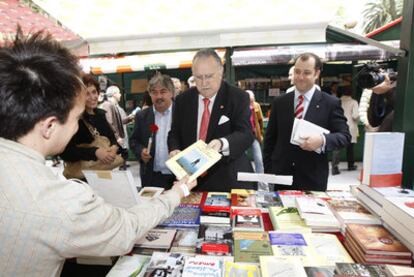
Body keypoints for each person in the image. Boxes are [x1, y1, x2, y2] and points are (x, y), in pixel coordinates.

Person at [0, 30, 196, 276]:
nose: (76, 127)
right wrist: (179, 192)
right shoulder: (61, 202)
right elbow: (126, 229)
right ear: (49, 125)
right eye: (76, 117)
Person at [168, 48, 254, 192]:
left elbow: (246, 134)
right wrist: (174, 149)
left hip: (228, 179)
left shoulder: (238, 97)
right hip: (192, 180)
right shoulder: (183, 100)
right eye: (198, 77)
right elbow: (174, 132)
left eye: (209, 76)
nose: (203, 83)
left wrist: (222, 143)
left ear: (220, 73)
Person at [263, 52, 351, 191]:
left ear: (316, 74)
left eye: (306, 73)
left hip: (312, 179)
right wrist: (269, 169)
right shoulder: (280, 102)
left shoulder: (330, 103)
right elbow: (270, 140)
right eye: (297, 72)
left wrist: (322, 140)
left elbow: (345, 136)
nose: (300, 77)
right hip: (281, 178)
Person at [60, 74, 123, 179]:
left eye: (94, 92)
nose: (92, 97)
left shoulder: (101, 115)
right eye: (87, 94)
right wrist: (95, 152)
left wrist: (114, 149)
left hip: (104, 173)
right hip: (82, 178)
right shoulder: (73, 120)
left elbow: (112, 140)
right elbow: (65, 153)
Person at [130, 73, 176, 189]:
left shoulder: (182, 114)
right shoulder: (142, 116)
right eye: (154, 92)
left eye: (163, 91)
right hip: (151, 177)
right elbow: (134, 141)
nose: (158, 96)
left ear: (171, 93)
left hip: (177, 178)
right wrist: (141, 151)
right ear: (150, 94)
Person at [101, 85, 131, 149]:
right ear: (114, 94)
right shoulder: (107, 105)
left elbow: (118, 122)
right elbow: (109, 122)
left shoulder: (113, 105)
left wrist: (129, 118)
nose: (120, 94)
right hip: (114, 141)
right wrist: (117, 137)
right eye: (119, 92)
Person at [340, 88, 359, 171]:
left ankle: (335, 166)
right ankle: (350, 165)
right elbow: (355, 115)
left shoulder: (337, 101)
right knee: (350, 148)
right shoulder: (353, 102)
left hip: (339, 125)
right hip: (350, 126)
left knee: (337, 147)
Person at [246, 90, 264, 173]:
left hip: (254, 135)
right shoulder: (240, 106)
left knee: (258, 159)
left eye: (252, 100)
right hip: (243, 136)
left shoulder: (256, 106)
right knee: (241, 159)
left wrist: (260, 132)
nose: (251, 102)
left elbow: (260, 120)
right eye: (249, 100)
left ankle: (260, 182)